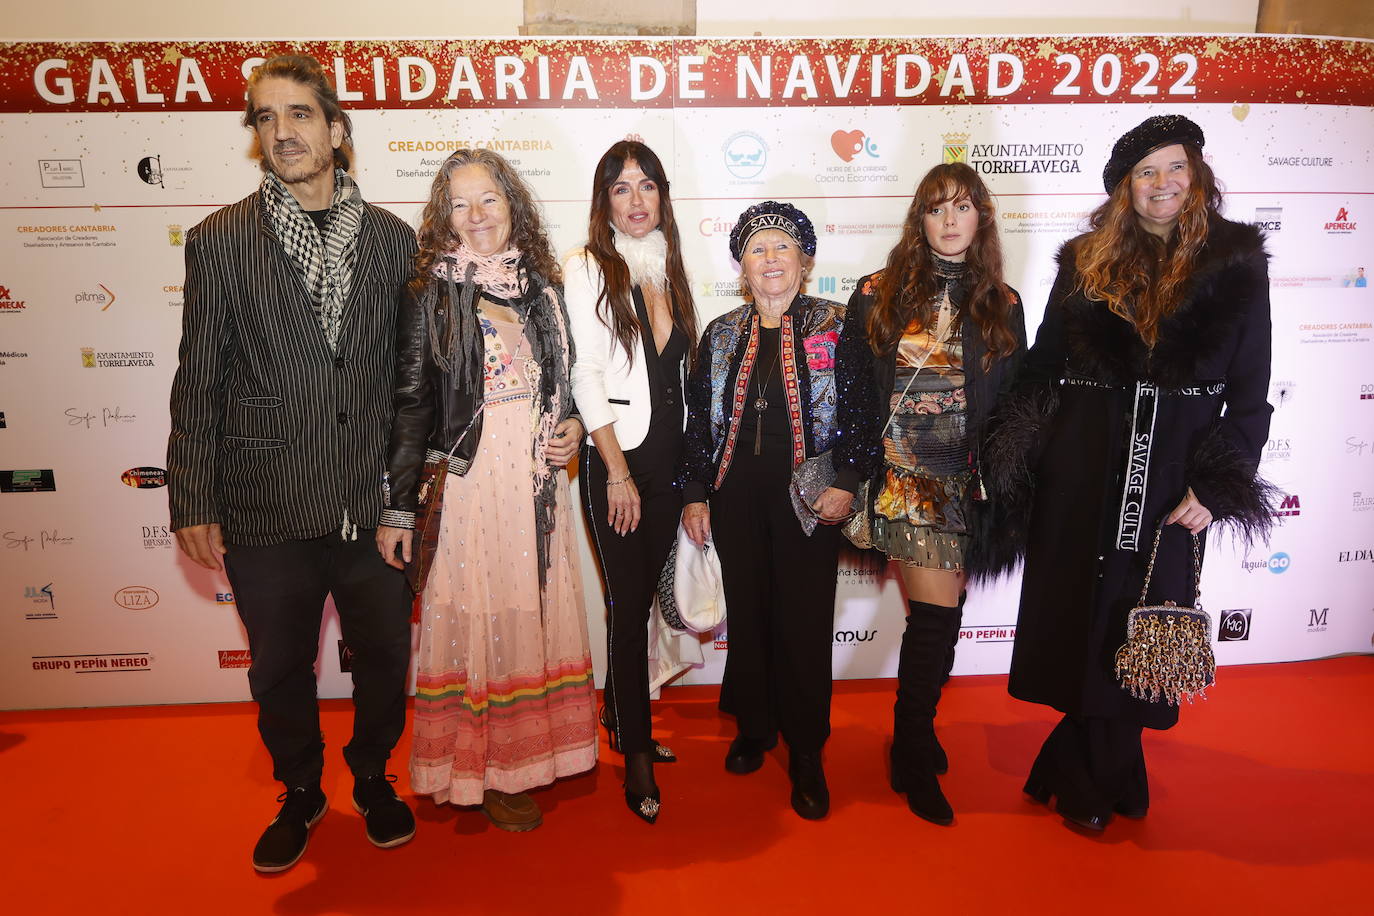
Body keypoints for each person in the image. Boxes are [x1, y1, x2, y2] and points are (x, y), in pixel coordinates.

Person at [988, 115, 1274, 832]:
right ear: (1124, 188)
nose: (1162, 184)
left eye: (1175, 168)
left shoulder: (1238, 260)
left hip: (1175, 477)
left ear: (1198, 175)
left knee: (1140, 624)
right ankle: (1105, 776)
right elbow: (1044, 368)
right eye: (1146, 172)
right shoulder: (1084, 260)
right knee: (1081, 623)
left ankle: (1083, 780)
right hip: (1080, 472)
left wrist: (1220, 484)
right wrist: (1014, 457)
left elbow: (1251, 391)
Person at [167, 55, 417, 872]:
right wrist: (193, 497)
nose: (282, 132)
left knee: (384, 653)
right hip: (264, 498)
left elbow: (408, 377)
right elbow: (199, 376)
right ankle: (302, 788)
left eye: (300, 115)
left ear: (335, 130)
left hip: (371, 498)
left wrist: (410, 492)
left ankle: (374, 773)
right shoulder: (219, 240)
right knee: (278, 663)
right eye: (266, 118)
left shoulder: (392, 239)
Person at [376, 148, 596, 833]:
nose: (476, 218)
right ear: (443, 216)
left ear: (514, 208)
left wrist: (574, 427)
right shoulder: (431, 294)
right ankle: (483, 770)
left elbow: (566, 384)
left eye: (489, 201)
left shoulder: (543, 290)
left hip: (535, 484)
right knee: (484, 617)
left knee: (529, 614)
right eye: (460, 204)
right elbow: (410, 404)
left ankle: (532, 756)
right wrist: (397, 503)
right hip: (473, 485)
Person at [681, 201, 878, 820]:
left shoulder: (839, 326)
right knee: (752, 615)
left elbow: (865, 415)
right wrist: (693, 491)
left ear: (806, 260)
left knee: (802, 622)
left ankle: (807, 752)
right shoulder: (719, 333)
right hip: (733, 497)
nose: (770, 259)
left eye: (783, 248)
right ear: (742, 264)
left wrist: (847, 481)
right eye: (757, 249)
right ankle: (756, 727)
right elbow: (695, 425)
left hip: (811, 501)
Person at [846, 162, 1026, 825]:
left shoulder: (1005, 304)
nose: (949, 220)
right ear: (918, 221)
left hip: (962, 484)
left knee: (937, 618)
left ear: (981, 218)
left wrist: (1005, 494)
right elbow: (853, 394)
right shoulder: (876, 292)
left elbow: (1013, 411)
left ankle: (914, 732)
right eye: (935, 208)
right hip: (899, 481)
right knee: (938, 619)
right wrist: (850, 477)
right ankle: (914, 747)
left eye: (962, 207)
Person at [565, 141, 698, 824]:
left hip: (670, 465)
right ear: (604, 202)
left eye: (647, 185)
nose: (637, 200)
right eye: (621, 188)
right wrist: (616, 472)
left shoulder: (670, 268)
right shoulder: (587, 268)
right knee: (625, 603)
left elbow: (682, 377)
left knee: (644, 596)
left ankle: (620, 713)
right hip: (618, 463)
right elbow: (585, 375)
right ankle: (637, 751)